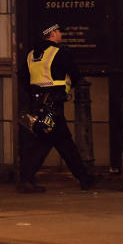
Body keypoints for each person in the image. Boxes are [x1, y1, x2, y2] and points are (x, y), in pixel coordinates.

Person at [17, 23, 95, 193]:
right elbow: (75, 74)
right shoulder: (61, 52)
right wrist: (65, 90)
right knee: (52, 141)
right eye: (59, 31)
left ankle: (84, 178)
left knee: (57, 139)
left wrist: (34, 94)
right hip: (54, 105)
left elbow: (23, 77)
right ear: (52, 33)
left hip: (40, 105)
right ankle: (27, 179)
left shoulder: (31, 55)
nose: (61, 34)